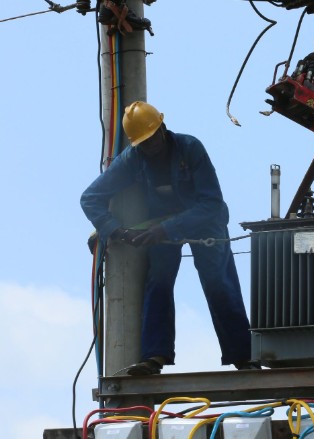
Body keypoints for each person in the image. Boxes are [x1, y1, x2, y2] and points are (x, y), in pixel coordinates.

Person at [81, 101, 255, 375]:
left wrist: (168, 229)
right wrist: (116, 230)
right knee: (158, 282)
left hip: (204, 221)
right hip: (159, 227)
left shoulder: (190, 147)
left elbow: (211, 203)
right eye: (143, 143)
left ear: (163, 128)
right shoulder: (133, 159)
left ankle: (243, 356)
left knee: (218, 282)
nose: (149, 147)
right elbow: (90, 198)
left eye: (152, 139)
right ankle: (155, 356)